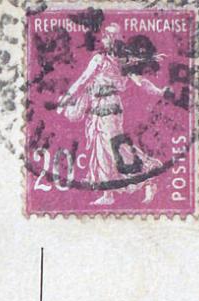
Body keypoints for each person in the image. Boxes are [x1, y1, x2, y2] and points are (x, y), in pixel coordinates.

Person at [57, 22, 167, 205]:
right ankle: (108, 194)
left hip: (110, 108)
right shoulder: (102, 59)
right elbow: (83, 80)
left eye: (108, 36)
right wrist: (66, 98)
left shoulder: (118, 61)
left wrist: (160, 91)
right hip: (96, 109)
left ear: (115, 40)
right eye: (105, 36)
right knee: (100, 149)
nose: (105, 39)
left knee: (115, 147)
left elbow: (141, 82)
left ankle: (149, 177)